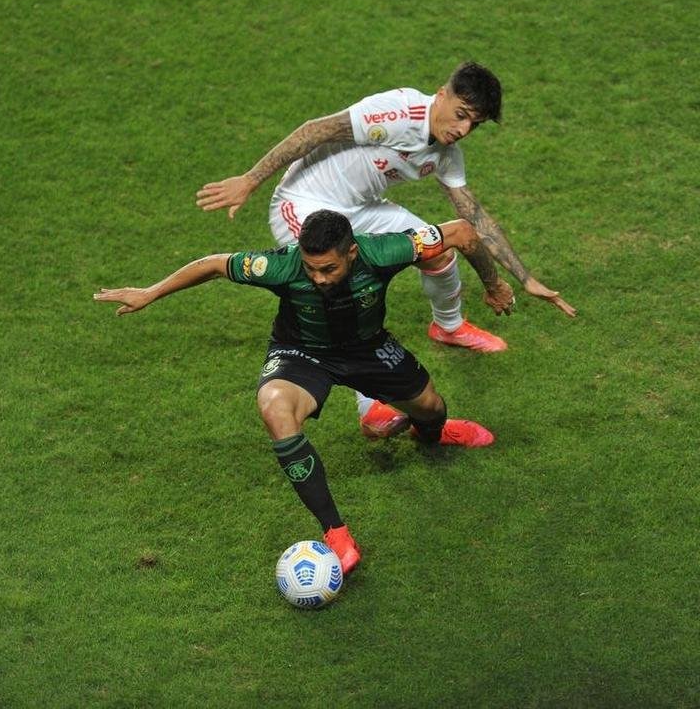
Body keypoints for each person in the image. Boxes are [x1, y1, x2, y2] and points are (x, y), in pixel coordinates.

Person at [95, 210, 515, 574]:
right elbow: (213, 264)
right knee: (275, 409)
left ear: (351, 253)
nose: (317, 277)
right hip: (302, 354)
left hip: (368, 350)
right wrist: (150, 293)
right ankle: (336, 533)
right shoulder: (281, 266)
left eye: (328, 269)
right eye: (310, 268)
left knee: (429, 406)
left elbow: (460, 231)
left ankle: (432, 435)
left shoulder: (385, 250)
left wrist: (493, 283)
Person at [195, 61, 576, 439]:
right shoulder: (396, 113)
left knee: (439, 251)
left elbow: (472, 214)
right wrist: (249, 180)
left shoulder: (445, 153)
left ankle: (448, 326)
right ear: (441, 95)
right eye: (460, 115)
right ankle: (370, 408)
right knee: (345, 287)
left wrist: (524, 279)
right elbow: (315, 131)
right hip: (304, 204)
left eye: (473, 124)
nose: (462, 129)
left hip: (362, 209)